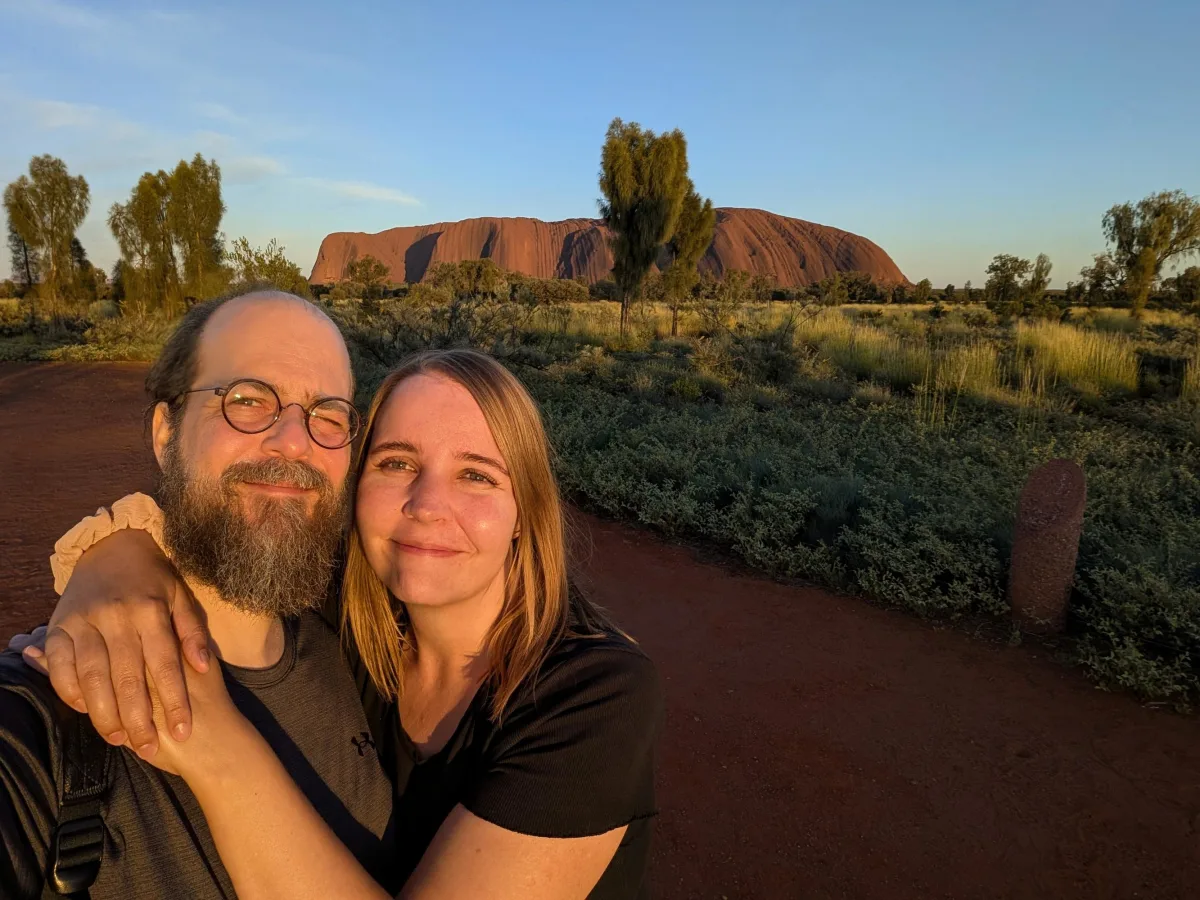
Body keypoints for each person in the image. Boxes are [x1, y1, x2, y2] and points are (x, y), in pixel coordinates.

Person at [19, 338, 663, 897]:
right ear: (356, 486)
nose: (427, 505)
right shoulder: (340, 614)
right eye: (397, 463)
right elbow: (221, 539)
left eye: (476, 475)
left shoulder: (593, 694)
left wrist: (213, 744)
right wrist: (115, 555)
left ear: (526, 511)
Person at [0, 288, 397, 898]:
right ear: (167, 432)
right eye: (246, 400)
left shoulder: (360, 645)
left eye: (328, 415)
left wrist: (115, 545)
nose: (294, 442)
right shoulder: (46, 712)